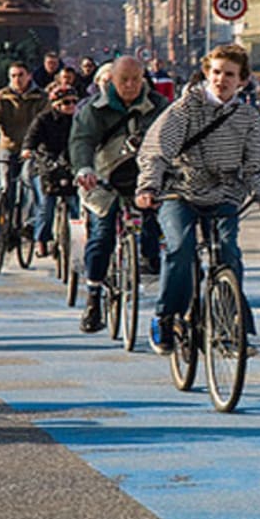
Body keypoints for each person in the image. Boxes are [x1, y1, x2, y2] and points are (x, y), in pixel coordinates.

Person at [135, 44, 260, 355]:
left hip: (224, 191)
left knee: (229, 251)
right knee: (181, 246)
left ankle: (230, 326)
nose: (220, 79)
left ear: (241, 80)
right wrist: (148, 188)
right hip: (179, 189)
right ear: (206, 73)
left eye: (229, 74)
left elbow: (259, 164)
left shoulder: (247, 117)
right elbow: (157, 151)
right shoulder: (186, 108)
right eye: (215, 72)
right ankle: (166, 316)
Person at [69, 55, 169, 333]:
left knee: (155, 220)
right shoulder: (94, 109)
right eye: (124, 79)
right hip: (104, 179)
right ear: (111, 80)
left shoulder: (158, 106)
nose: (130, 85)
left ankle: (149, 260)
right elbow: (82, 141)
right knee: (102, 235)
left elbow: (176, 136)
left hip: (146, 180)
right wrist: (84, 168)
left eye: (136, 79)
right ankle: (93, 296)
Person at [0, 62, 48, 220]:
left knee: (29, 180)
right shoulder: (1, 97)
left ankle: (30, 220)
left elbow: (45, 122)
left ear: (29, 75)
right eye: (13, 76)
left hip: (31, 149)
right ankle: (5, 219)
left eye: (21, 75)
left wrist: (40, 146)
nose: (17, 79)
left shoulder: (41, 97)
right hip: (9, 146)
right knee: (6, 185)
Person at [21, 85, 81, 259]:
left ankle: (78, 240)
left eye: (74, 102)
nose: (71, 106)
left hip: (70, 166)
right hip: (46, 166)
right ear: (55, 104)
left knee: (76, 204)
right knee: (46, 205)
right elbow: (31, 137)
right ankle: (41, 240)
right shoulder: (43, 119)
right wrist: (27, 149)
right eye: (66, 102)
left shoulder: (79, 120)